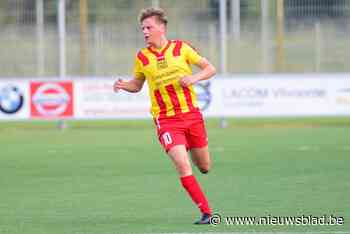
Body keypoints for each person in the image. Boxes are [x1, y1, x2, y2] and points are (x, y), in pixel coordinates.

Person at [113, 7, 216, 224]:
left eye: (149, 27)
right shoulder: (142, 57)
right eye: (142, 28)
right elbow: (137, 85)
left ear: (162, 27)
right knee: (182, 165)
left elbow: (210, 69)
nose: (145, 32)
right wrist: (124, 85)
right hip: (166, 121)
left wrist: (193, 79)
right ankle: (207, 212)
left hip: (192, 116)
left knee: (204, 167)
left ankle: (186, 145)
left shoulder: (182, 48)